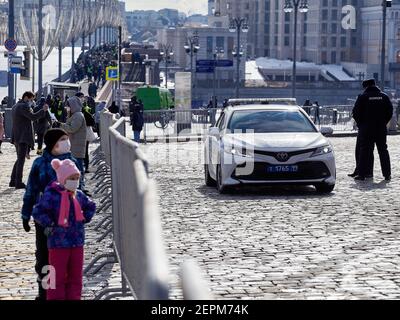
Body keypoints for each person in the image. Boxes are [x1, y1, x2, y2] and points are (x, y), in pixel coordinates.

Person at [21, 128, 80, 300]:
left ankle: (64, 294)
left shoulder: (72, 161)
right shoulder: (40, 163)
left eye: (66, 139)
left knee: (66, 261)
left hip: (67, 221)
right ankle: (45, 293)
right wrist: (26, 214)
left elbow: (80, 190)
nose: (66, 142)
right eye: (63, 139)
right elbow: (31, 189)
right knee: (45, 259)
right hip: (45, 220)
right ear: (53, 144)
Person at [32, 159, 96, 300]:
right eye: (71, 178)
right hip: (58, 243)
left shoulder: (79, 195)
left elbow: (91, 206)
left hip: (77, 242)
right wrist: (50, 224)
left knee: (76, 277)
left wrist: (85, 217)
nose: (75, 181)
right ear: (63, 179)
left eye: (77, 178)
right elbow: (38, 211)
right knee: (56, 278)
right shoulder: (52, 195)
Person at [352, 78, 393, 181]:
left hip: (366, 129)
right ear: (375, 85)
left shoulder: (363, 97)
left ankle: (361, 174)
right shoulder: (384, 96)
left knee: (365, 150)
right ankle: (387, 174)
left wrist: (361, 125)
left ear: (365, 87)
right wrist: (383, 122)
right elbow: (390, 111)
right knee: (383, 150)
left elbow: (355, 112)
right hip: (380, 128)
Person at [10, 92, 48, 189]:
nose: (32, 102)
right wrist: (43, 110)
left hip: (17, 136)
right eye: (31, 99)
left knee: (19, 158)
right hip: (23, 137)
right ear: (26, 98)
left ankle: (13, 180)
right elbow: (33, 117)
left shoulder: (15, 106)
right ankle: (18, 182)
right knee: (21, 160)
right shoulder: (23, 106)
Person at [57, 96, 89, 195]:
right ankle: (77, 187)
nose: (67, 108)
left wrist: (60, 125)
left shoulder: (78, 115)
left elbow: (72, 128)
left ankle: (80, 188)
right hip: (74, 146)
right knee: (75, 168)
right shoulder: (74, 115)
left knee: (78, 169)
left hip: (77, 147)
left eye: (68, 106)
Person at [82, 101, 96, 173]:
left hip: (82, 134)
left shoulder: (79, 114)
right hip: (87, 134)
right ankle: (86, 166)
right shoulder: (87, 113)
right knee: (86, 150)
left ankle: (83, 166)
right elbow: (93, 122)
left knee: (82, 151)